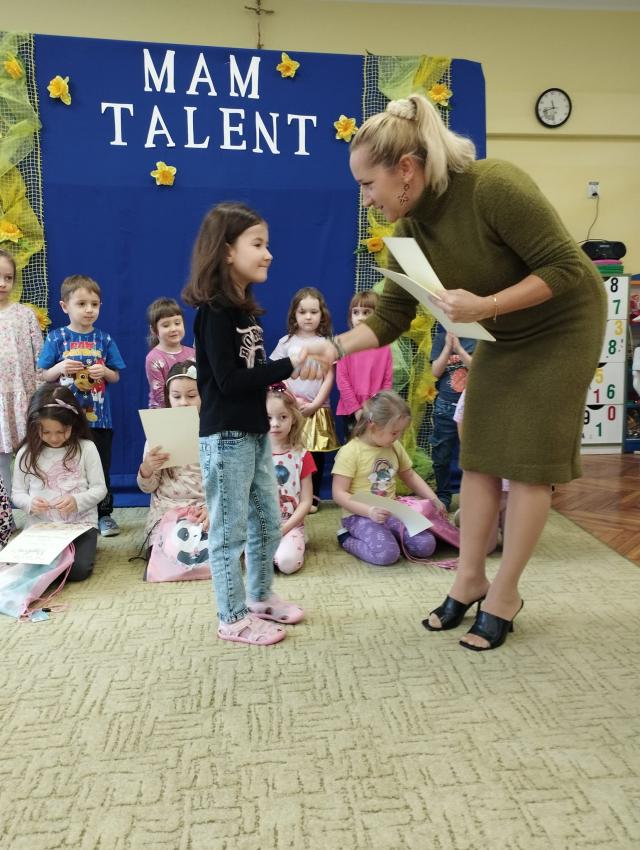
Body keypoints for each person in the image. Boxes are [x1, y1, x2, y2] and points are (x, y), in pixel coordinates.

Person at [303, 93, 606, 650]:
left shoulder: (493, 185)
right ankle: (469, 578)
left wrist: (486, 305)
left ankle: (504, 593)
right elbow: (392, 315)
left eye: (368, 184)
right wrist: (335, 347)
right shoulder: (409, 231)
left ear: (406, 170)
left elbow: (566, 266)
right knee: (480, 454)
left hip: (562, 325)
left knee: (528, 464)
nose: (365, 198)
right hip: (505, 333)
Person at [182, 201, 313, 646]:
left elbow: (251, 373)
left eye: (267, 244)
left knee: (267, 522)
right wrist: (287, 364)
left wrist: (282, 373)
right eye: (257, 244)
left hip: (253, 432)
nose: (268, 253)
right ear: (226, 251)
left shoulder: (244, 312)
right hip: (226, 437)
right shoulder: (215, 312)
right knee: (229, 533)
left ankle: (259, 597)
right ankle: (232, 618)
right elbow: (228, 380)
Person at [38, 275, 126, 538]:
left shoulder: (104, 339)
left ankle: (104, 514)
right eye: (82, 304)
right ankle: (68, 512)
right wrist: (59, 367)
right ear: (65, 306)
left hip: (99, 419)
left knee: (100, 467)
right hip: (64, 420)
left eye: (94, 304)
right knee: (68, 466)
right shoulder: (56, 338)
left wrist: (105, 371)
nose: (89, 310)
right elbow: (44, 374)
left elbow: (116, 376)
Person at [332, 390, 446, 566]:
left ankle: (390, 537)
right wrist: (369, 511)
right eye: (394, 433)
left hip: (392, 511)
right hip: (359, 515)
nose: (398, 437)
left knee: (426, 545)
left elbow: (409, 475)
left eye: (400, 432)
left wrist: (433, 499)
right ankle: (346, 538)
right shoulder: (350, 452)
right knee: (387, 554)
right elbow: (339, 493)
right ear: (373, 426)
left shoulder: (394, 446)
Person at [12, 385, 107, 581]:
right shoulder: (26, 453)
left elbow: (100, 489)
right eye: (46, 432)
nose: (54, 438)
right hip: (41, 526)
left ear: (73, 424)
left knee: (78, 570)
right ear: (34, 426)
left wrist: (77, 500)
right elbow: (17, 494)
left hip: (79, 525)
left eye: (62, 431)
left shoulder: (87, 448)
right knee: (29, 568)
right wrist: (30, 503)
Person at [271, 287, 339, 513]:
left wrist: (316, 404)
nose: (308, 317)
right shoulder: (286, 343)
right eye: (302, 312)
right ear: (294, 315)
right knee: (291, 450)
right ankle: (292, 493)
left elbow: (329, 377)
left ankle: (314, 496)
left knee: (315, 453)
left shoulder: (326, 344)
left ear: (322, 314)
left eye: (313, 312)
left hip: (316, 408)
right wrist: (291, 400)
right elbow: (277, 373)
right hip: (291, 408)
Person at [137, 360, 207, 551]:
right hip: (167, 509)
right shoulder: (159, 433)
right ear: (168, 398)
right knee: (166, 552)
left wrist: (211, 509)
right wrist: (147, 468)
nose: (183, 402)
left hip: (204, 508)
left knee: (207, 553)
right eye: (176, 396)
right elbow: (147, 487)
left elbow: (225, 481)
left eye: (191, 396)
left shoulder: (214, 433)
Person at [0, 249, 43, 498]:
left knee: (32, 454)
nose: (2, 283)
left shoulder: (24, 314)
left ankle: (37, 508)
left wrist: (39, 393)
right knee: (1, 459)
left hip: (24, 396)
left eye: (8, 278)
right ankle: (5, 512)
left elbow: (40, 355)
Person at [267, 383, 316, 574]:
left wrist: (285, 528)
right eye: (268, 418)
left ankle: (287, 549)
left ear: (293, 419)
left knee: (287, 564)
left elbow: (306, 501)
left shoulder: (302, 456)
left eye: (283, 417)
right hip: (261, 527)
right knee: (257, 566)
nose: (275, 424)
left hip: (291, 525)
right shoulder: (253, 455)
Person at [429, 326, 475, 511]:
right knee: (441, 454)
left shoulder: (478, 339)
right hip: (445, 406)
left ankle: (472, 498)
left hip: (471, 408)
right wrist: (448, 347)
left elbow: (478, 368)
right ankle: (443, 495)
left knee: (472, 455)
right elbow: (435, 371)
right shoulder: (440, 339)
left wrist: (460, 349)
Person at [336, 290, 393, 438]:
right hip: (350, 410)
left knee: (374, 446)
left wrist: (377, 407)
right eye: (356, 312)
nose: (360, 318)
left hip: (376, 410)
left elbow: (387, 382)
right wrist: (356, 409)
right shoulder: (344, 343)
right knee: (353, 447)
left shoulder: (385, 347)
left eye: (366, 312)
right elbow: (342, 380)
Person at [144, 297, 195, 409]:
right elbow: (159, 394)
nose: (173, 329)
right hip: (164, 412)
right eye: (166, 325)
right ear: (154, 330)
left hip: (190, 409)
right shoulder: (154, 358)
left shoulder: (193, 354)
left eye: (177, 323)